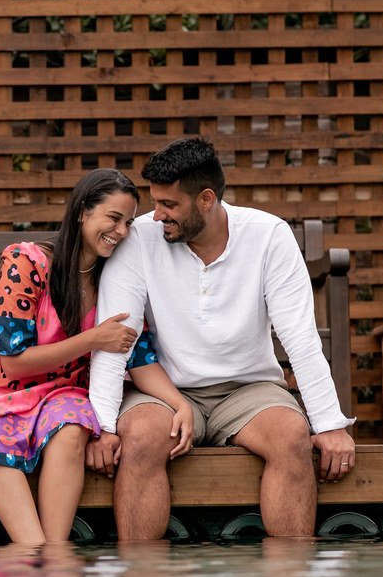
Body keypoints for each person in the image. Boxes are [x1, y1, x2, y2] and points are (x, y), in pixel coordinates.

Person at [86, 137, 356, 538]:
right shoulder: (140, 238)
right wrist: (103, 426)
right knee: (140, 437)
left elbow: (299, 336)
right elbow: (116, 339)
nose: (156, 215)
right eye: (155, 202)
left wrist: (330, 424)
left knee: (292, 436)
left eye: (169, 205)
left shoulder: (268, 236)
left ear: (206, 199)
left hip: (249, 390)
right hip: (167, 392)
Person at [0, 168, 193, 545]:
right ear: (82, 211)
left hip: (60, 396)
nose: (122, 232)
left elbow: (138, 358)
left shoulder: (115, 277)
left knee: (72, 426)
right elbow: (12, 362)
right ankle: (33, 549)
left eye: (128, 222)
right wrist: (93, 339)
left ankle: (56, 551)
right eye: (113, 218)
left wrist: (179, 404)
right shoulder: (27, 263)